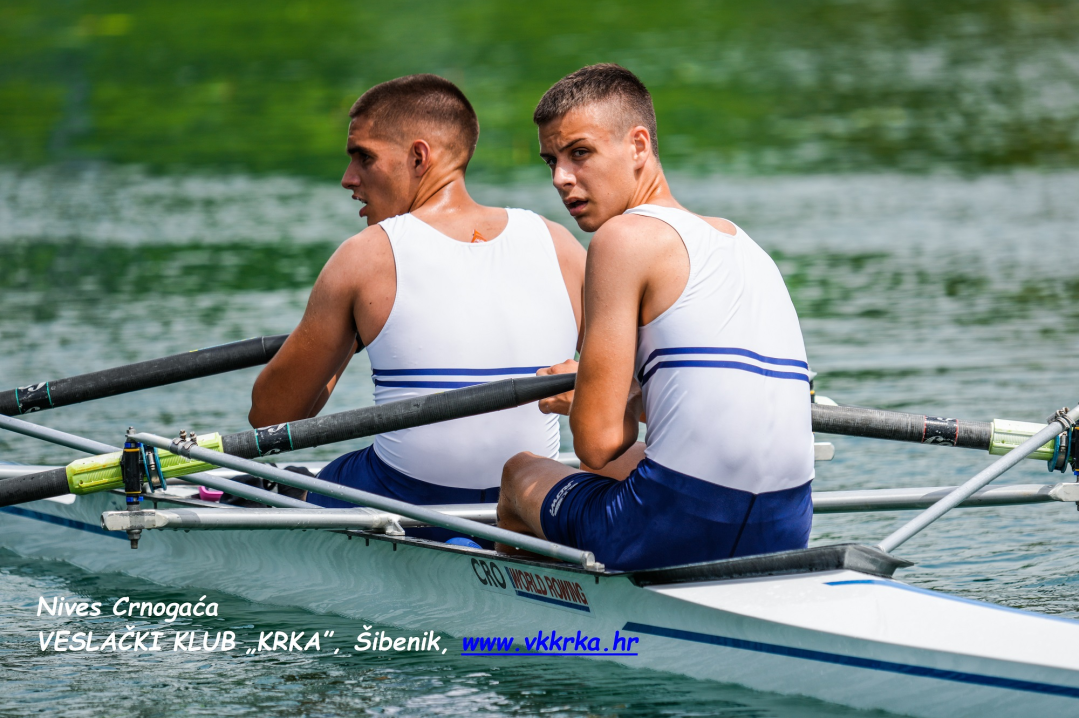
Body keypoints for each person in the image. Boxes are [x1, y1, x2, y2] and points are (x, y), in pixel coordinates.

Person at [496, 64, 814, 571]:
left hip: (673, 528)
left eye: (580, 153)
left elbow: (598, 444)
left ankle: (530, 626)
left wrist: (586, 403)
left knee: (520, 474)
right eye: (551, 161)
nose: (560, 177)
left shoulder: (623, 238)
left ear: (639, 146)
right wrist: (616, 395)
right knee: (629, 464)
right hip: (787, 524)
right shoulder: (745, 245)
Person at [248, 74, 585, 542]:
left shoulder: (365, 257)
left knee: (292, 482)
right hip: (531, 500)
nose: (349, 179)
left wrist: (346, 333)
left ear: (418, 157)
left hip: (409, 498)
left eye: (363, 157)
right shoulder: (560, 243)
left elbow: (271, 418)